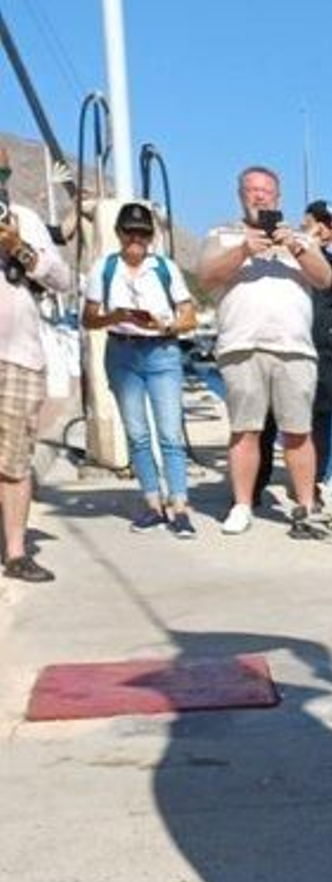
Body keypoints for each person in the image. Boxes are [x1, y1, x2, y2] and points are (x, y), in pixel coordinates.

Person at [198, 165, 332, 539]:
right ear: (241, 194)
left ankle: (305, 506)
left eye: (266, 191)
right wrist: (244, 250)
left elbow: (324, 279)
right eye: (252, 190)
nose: (259, 196)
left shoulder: (300, 238)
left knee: (298, 432)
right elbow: (206, 276)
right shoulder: (223, 234)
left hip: (293, 348)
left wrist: (297, 247)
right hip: (242, 346)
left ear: (278, 198)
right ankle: (242, 505)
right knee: (245, 431)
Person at [82, 199, 198, 535]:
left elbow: (188, 316)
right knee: (137, 434)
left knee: (170, 433)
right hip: (121, 353)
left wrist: (164, 326)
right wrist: (113, 317)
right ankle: (152, 504)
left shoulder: (165, 268)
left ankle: (179, 507)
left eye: (143, 234)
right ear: (118, 233)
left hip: (161, 352)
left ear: (152, 237)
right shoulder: (104, 269)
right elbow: (89, 319)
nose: (136, 239)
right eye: (130, 233)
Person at [252, 198, 332, 510]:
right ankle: (253, 486)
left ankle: (310, 486)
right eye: (320, 222)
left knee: (319, 422)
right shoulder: (283, 253)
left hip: (320, 352)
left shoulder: (331, 260)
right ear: (305, 220)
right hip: (279, 347)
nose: (327, 230)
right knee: (266, 422)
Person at [0, 147, 73, 582]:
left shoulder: (24, 220)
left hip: (17, 357)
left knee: (14, 460)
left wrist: (21, 250)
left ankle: (15, 551)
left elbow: (63, 279)